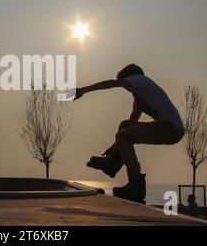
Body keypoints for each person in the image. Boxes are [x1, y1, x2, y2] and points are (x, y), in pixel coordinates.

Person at [73, 64, 185, 201]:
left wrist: (84, 90)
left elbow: (111, 84)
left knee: (123, 135)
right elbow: (129, 126)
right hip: (167, 128)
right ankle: (113, 162)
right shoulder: (139, 99)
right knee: (124, 125)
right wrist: (115, 146)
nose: (125, 89)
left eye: (125, 85)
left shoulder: (141, 80)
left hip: (172, 128)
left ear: (130, 78)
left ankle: (135, 181)